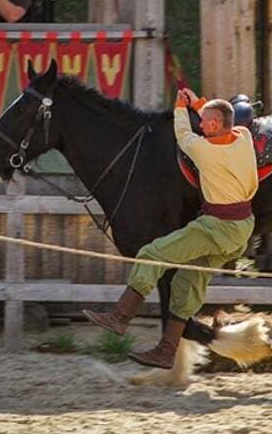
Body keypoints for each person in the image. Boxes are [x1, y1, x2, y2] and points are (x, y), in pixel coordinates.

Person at [83, 87, 259, 369]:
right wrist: (199, 103)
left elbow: (183, 135)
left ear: (214, 125)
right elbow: (218, 120)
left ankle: (121, 316)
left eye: (204, 121)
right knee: (186, 284)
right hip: (242, 229)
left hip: (216, 227)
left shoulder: (204, 150)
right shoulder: (244, 138)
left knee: (153, 254)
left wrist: (180, 107)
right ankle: (167, 350)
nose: (200, 124)